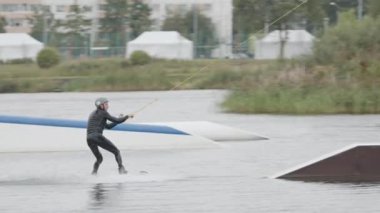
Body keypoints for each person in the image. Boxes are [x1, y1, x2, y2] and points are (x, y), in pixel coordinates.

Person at [86, 97, 133, 175]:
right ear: (101, 106)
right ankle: (121, 170)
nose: (108, 106)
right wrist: (127, 116)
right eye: (106, 104)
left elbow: (108, 126)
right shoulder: (103, 113)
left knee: (99, 158)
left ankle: (93, 174)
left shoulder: (93, 114)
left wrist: (120, 119)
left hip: (89, 139)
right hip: (97, 136)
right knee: (116, 151)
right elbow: (117, 120)